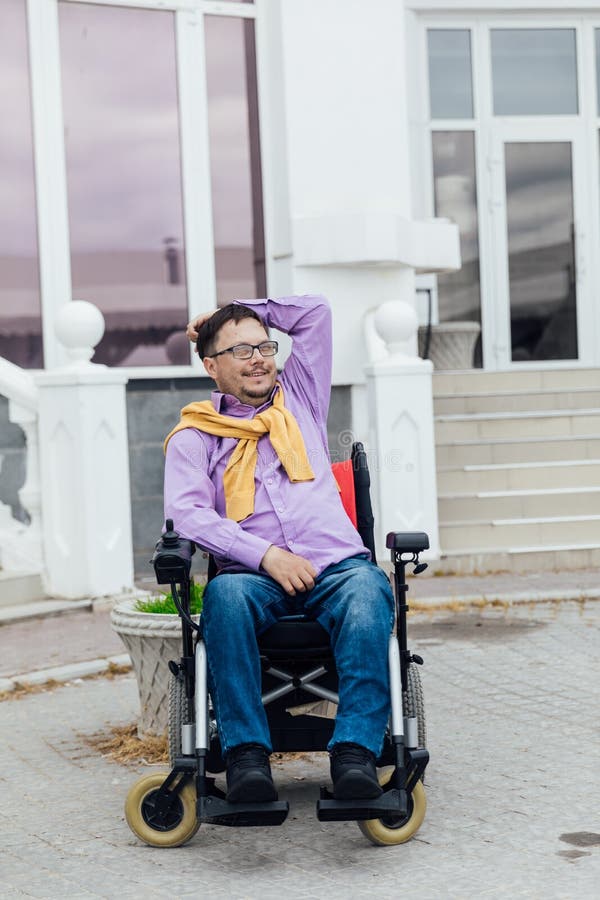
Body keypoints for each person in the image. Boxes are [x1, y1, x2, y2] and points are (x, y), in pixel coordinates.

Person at [163, 294, 395, 804]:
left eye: (264, 346)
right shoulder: (195, 436)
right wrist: (266, 555)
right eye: (240, 351)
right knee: (223, 599)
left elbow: (314, 314)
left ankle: (355, 752)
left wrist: (240, 309)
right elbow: (189, 516)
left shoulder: (302, 401)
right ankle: (246, 755)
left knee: (369, 588)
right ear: (211, 366)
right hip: (252, 577)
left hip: (335, 568)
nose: (259, 358)